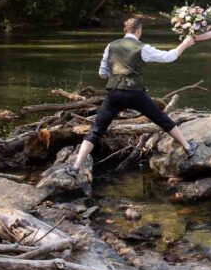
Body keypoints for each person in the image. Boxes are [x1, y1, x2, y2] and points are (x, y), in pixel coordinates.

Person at [65, 17, 199, 190]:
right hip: (135, 93)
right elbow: (168, 57)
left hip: (114, 93)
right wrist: (185, 45)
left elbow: (102, 74)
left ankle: (75, 167)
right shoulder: (142, 48)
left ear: (124, 30)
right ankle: (188, 148)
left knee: (96, 130)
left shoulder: (110, 46)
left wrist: (116, 73)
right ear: (138, 31)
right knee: (160, 118)